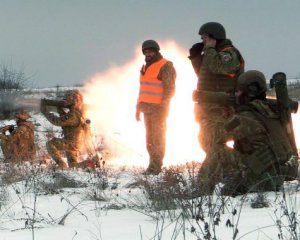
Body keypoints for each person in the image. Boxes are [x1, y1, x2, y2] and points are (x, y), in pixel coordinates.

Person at [198, 70, 298, 196]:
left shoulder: (244, 118)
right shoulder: (272, 111)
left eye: (238, 91)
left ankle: (199, 195)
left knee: (217, 152)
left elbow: (211, 139)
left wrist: (207, 118)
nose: (236, 94)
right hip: (278, 176)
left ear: (249, 91)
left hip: (262, 180)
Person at [191, 22, 245, 155]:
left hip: (222, 108)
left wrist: (209, 49)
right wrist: (195, 58)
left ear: (214, 37)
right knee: (206, 140)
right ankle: (224, 169)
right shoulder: (213, 53)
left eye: (205, 38)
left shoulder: (229, 53)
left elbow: (217, 68)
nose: (203, 41)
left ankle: (235, 166)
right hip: (209, 106)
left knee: (213, 141)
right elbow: (206, 76)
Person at [135, 39, 176, 175]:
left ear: (156, 51)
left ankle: (156, 167)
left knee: (158, 138)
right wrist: (137, 108)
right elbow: (142, 90)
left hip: (159, 109)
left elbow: (170, 89)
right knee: (150, 139)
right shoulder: (145, 67)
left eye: (150, 51)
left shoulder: (165, 65)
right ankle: (151, 165)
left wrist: (164, 106)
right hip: (146, 109)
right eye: (145, 51)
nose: (148, 54)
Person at [41, 90, 86, 169]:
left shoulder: (73, 114)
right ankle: (92, 162)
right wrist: (60, 111)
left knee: (50, 144)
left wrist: (45, 112)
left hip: (71, 143)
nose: (64, 101)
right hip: (76, 143)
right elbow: (67, 121)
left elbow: (57, 121)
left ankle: (62, 165)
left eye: (67, 99)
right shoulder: (77, 112)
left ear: (73, 101)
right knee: (73, 165)